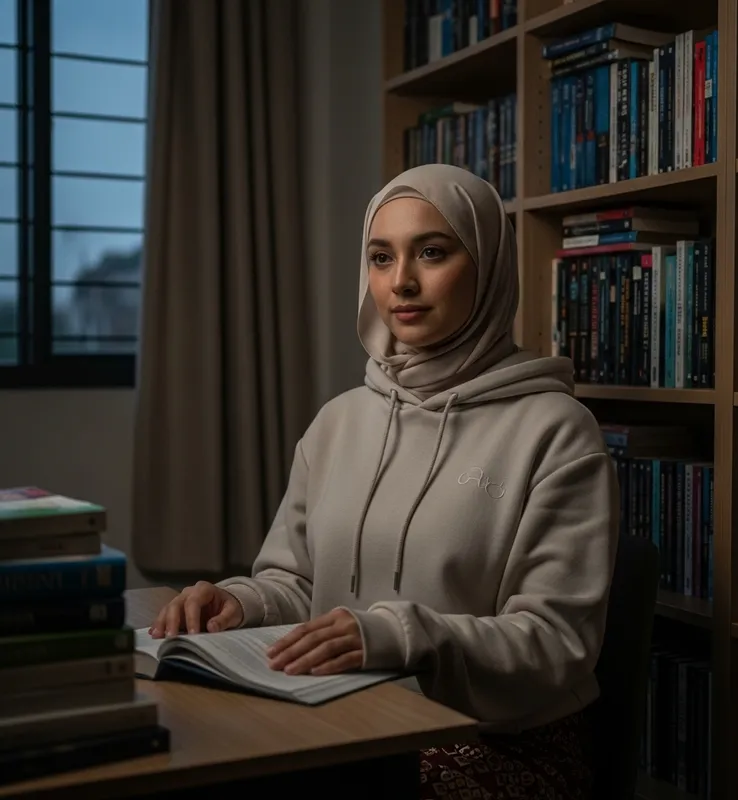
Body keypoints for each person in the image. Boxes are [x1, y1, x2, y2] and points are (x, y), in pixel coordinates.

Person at [150, 163, 619, 800]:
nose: (401, 281)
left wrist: (398, 637)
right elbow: (299, 584)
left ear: (487, 265)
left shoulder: (557, 431)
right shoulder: (339, 421)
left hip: (496, 738)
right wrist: (242, 604)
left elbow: (555, 643)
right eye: (381, 257)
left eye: (432, 252)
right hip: (346, 713)